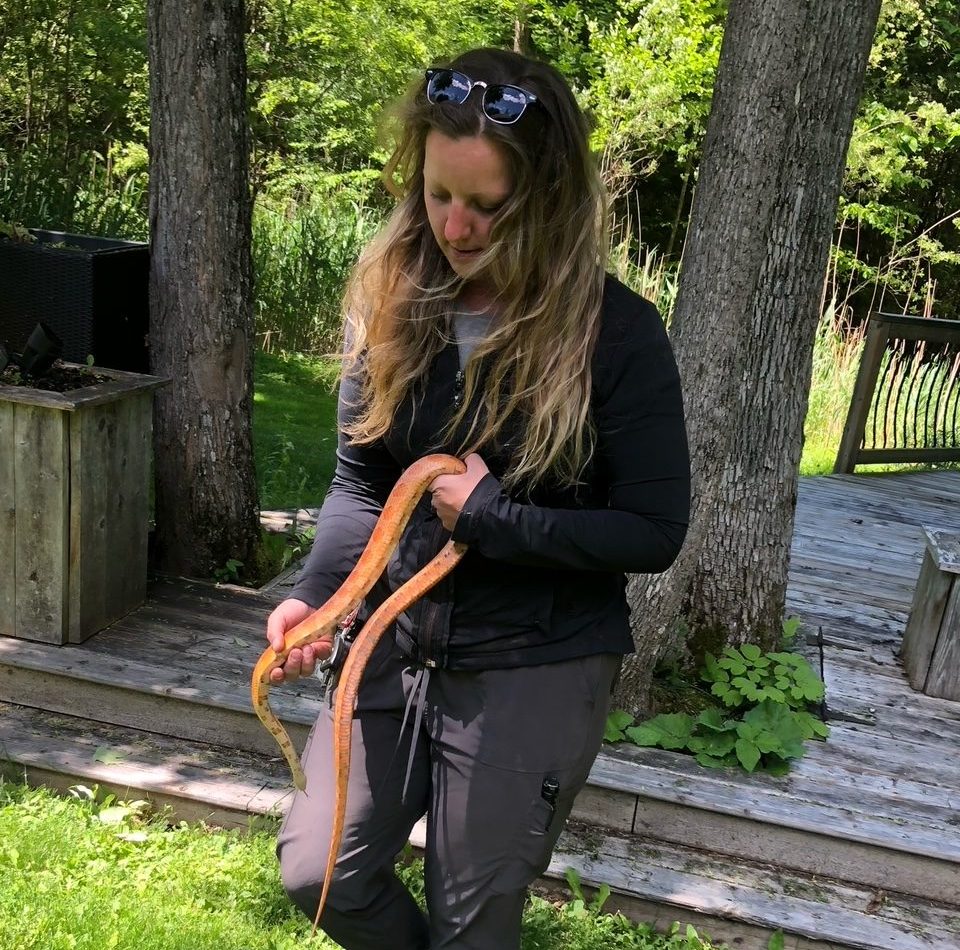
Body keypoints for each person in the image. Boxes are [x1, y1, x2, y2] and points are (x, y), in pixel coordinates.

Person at [265, 46, 690, 950]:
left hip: (535, 661)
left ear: (548, 199)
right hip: (396, 638)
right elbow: (362, 480)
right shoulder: (396, 302)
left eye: (488, 207)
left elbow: (655, 530)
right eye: (437, 194)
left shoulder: (617, 335)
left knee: (473, 923)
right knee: (319, 870)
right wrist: (315, 599)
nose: (454, 228)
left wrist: (499, 519)